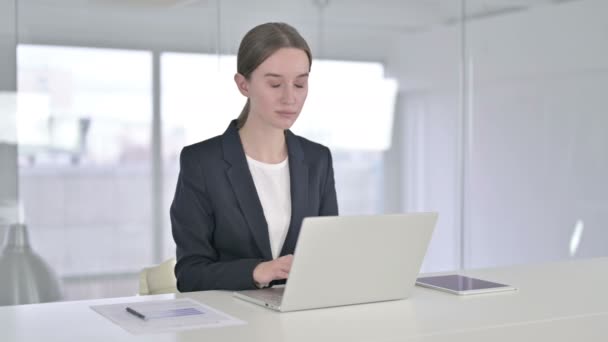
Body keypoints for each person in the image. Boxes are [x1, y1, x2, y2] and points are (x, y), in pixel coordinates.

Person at [170, 22, 339, 292]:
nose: (290, 98)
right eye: (274, 84)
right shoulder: (201, 162)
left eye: (300, 84)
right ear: (243, 84)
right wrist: (257, 271)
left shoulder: (318, 159)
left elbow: (328, 255)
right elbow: (190, 275)